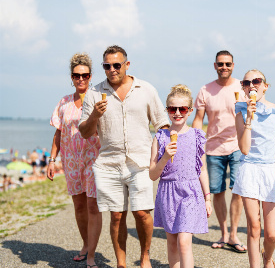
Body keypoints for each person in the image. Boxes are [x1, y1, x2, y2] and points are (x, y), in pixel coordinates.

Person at [79, 45, 170, 268]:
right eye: (107, 66)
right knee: (117, 216)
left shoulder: (145, 89)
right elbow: (85, 132)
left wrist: (161, 159)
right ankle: (121, 263)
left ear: (127, 65)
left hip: (140, 163)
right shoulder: (94, 93)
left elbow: (162, 124)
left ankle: (145, 256)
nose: (112, 70)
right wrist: (94, 116)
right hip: (109, 164)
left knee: (141, 213)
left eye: (116, 65)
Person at [234, 70, 275, 268]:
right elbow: (244, 149)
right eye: (247, 82)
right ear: (243, 88)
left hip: (272, 170)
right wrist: (249, 119)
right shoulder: (240, 113)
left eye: (256, 81)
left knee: (271, 234)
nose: (251, 85)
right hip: (250, 170)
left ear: (265, 85)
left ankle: (267, 258)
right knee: (254, 227)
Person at [47, 52, 102, 268]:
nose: (81, 79)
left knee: (92, 205)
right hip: (70, 162)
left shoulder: (98, 99)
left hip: (94, 160)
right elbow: (58, 133)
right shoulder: (63, 102)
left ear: (90, 76)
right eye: (76, 75)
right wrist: (52, 160)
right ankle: (86, 244)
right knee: (79, 206)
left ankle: (92, 255)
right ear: (71, 77)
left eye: (85, 75)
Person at [150, 84, 212, 268]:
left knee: (184, 242)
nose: (177, 112)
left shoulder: (197, 135)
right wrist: (165, 158)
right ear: (167, 110)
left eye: (182, 109)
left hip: (191, 192)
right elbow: (153, 174)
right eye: (172, 109)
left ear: (190, 111)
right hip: (168, 192)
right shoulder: (160, 137)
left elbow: (202, 169)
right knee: (171, 242)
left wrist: (207, 198)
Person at [192, 50, 247, 252]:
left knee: (238, 191)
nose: (224, 67)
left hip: (238, 146)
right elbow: (198, 119)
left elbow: (251, 115)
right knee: (217, 191)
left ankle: (234, 235)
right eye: (221, 64)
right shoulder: (205, 90)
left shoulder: (242, 87)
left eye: (228, 64)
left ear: (233, 65)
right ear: (214, 66)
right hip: (213, 147)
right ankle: (223, 233)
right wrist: (195, 144)